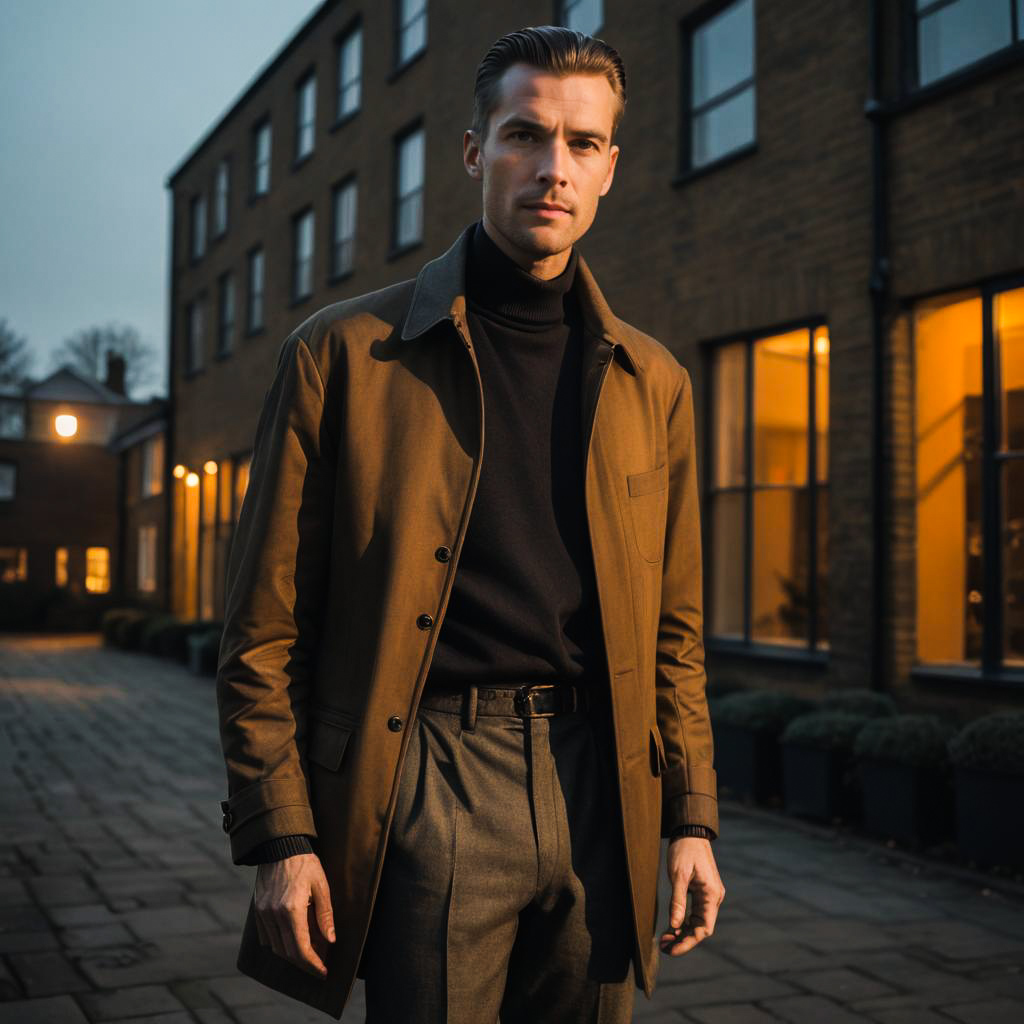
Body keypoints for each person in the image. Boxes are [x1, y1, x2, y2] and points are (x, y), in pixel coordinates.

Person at [216, 23, 725, 1023]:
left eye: (582, 144)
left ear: (612, 167)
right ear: (473, 150)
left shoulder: (652, 381)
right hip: (434, 775)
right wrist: (281, 835)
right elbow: (262, 630)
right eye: (524, 135)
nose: (553, 167)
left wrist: (691, 817)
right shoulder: (343, 357)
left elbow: (675, 634)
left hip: (601, 778)